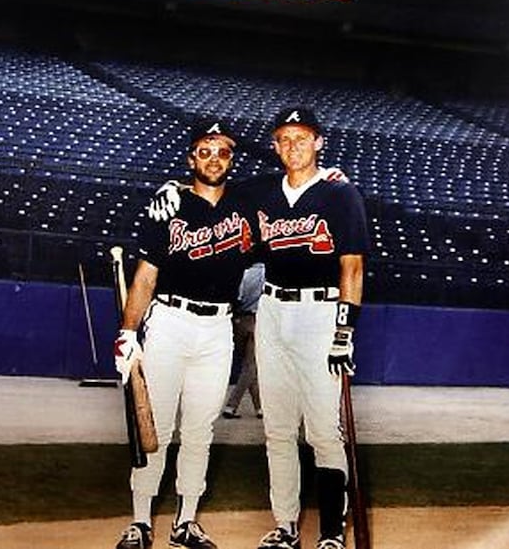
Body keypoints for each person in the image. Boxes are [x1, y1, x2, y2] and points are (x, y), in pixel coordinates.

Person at [113, 117, 255, 549]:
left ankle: (186, 521)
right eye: (205, 151)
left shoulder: (247, 204)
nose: (214, 159)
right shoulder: (168, 205)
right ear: (191, 156)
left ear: (233, 159)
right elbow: (145, 276)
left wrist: (329, 176)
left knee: (200, 429)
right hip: (170, 322)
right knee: (153, 425)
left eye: (223, 152)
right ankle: (140, 522)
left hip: (217, 328)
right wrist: (128, 333)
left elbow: (293, 187)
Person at [254, 107, 370, 549]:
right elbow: (215, 194)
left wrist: (344, 331)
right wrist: (177, 187)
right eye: (284, 138)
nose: (293, 146)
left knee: (323, 430)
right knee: (278, 429)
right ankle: (285, 527)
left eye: (302, 137)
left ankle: (330, 533)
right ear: (274, 146)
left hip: (321, 314)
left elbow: (353, 267)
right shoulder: (264, 192)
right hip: (271, 311)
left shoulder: (342, 195)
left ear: (319, 142)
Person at [222, 260, 265, 420]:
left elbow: (236, 298)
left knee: (248, 365)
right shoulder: (267, 273)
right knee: (251, 366)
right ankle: (231, 406)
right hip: (258, 319)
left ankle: (260, 407)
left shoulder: (243, 273)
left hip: (238, 320)